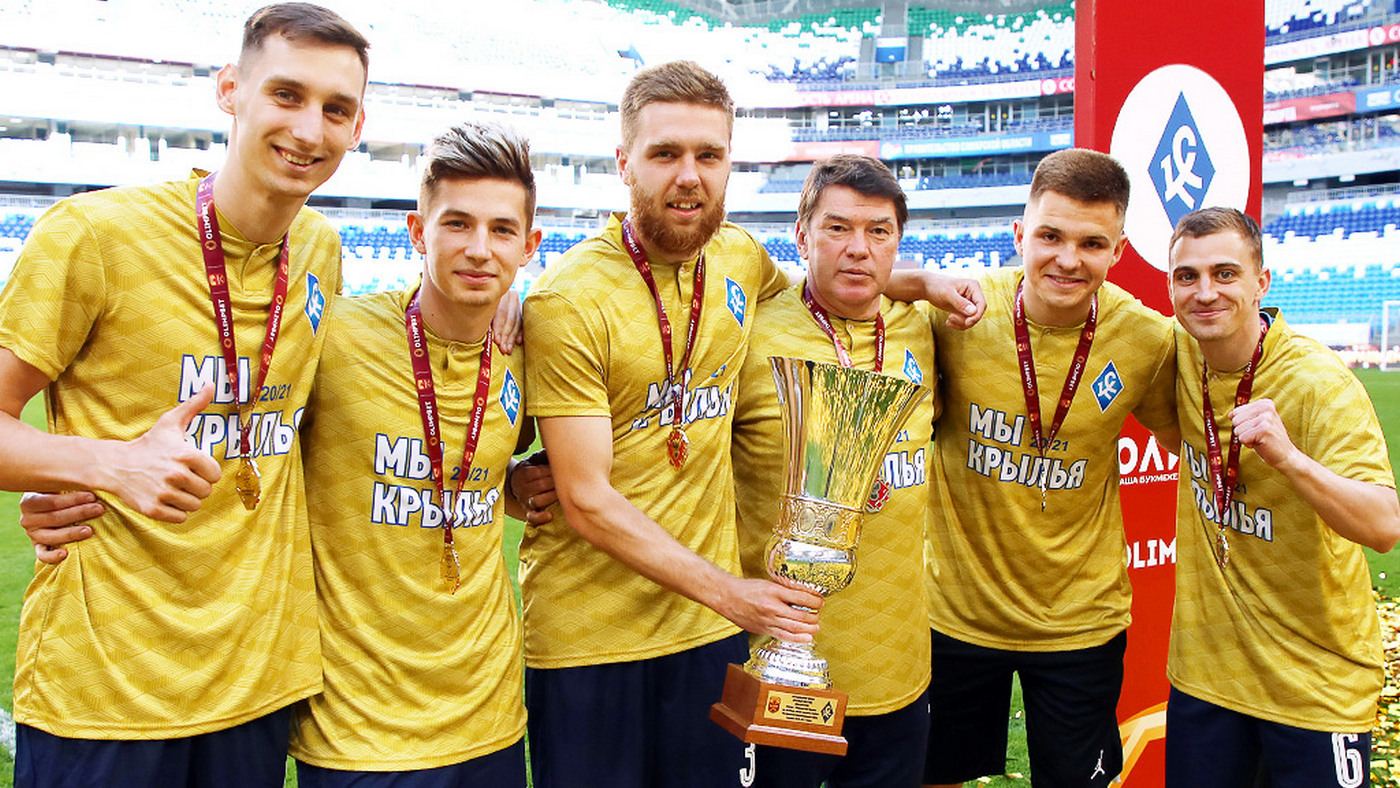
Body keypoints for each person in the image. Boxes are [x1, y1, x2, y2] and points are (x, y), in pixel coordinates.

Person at [522, 60, 981, 788]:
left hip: (705, 640)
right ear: (623, 162)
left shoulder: (738, 258)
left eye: (708, 155)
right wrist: (730, 593)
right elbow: (584, 497)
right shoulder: (569, 299)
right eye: (665, 153)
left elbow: (838, 275)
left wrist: (922, 280)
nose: (689, 176)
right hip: (594, 638)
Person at [0, 5, 367, 787]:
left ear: (356, 127)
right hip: (104, 690)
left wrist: (505, 309)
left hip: (257, 686)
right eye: (287, 95)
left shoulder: (321, 250)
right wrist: (106, 465)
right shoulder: (94, 236)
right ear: (230, 90)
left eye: (336, 109)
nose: (309, 129)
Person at [286, 121, 546, 786]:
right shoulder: (335, 339)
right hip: (357, 732)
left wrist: (512, 485)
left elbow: (486, 465)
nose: (479, 249)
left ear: (529, 246)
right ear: (416, 232)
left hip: (489, 718)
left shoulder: (526, 355)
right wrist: (62, 480)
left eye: (502, 230)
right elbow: (241, 436)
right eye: (456, 224)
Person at [922, 148, 1178, 788]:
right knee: (933, 776)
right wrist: (917, 280)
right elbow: (857, 288)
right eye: (1050, 236)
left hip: (1080, 622)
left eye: (1092, 243)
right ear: (1019, 234)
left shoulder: (1147, 338)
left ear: (1119, 251)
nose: (1068, 259)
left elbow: (1190, 434)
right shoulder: (958, 313)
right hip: (955, 612)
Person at [1163, 206, 1400, 788]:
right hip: (1208, 678)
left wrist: (1290, 459)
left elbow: (1384, 526)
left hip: (1314, 685)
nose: (1205, 292)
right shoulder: (1175, 354)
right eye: (1187, 276)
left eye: (1225, 273)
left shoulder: (1318, 382)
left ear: (1261, 282)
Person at [732, 154, 943, 788]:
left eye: (878, 231)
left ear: (898, 244)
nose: (859, 248)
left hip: (899, 668)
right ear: (801, 236)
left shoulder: (924, 330)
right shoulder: (748, 335)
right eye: (837, 228)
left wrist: (928, 283)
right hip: (777, 668)